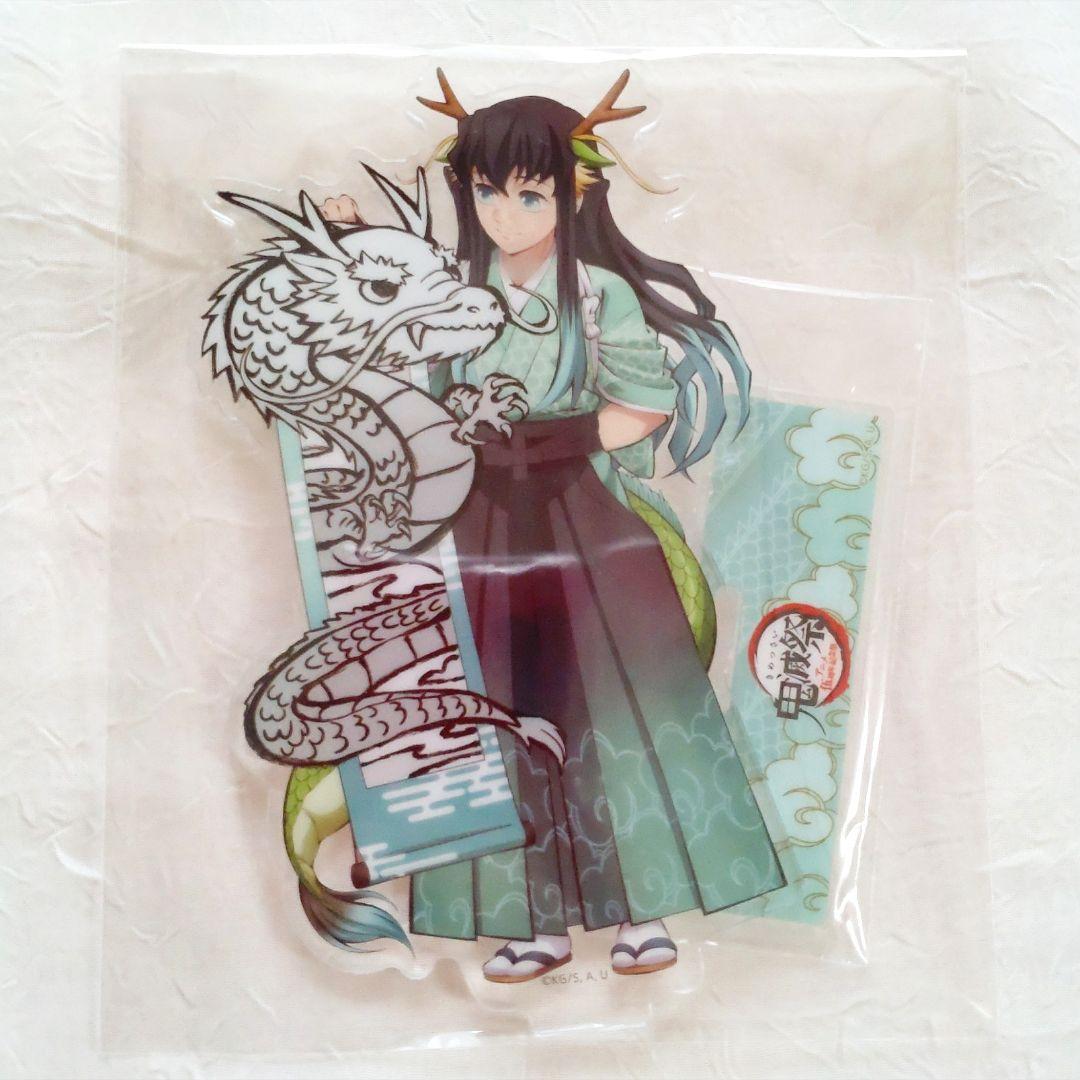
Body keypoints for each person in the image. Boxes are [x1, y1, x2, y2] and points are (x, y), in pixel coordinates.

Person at [326, 70, 784, 983]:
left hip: (579, 510)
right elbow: (390, 338)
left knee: (611, 703)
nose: (505, 215)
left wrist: (562, 439)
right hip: (478, 517)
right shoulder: (452, 289)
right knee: (495, 708)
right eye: (486, 192)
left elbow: (644, 404)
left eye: (529, 195)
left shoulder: (599, 293)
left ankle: (640, 910)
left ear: (572, 196)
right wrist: (348, 240)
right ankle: (527, 919)